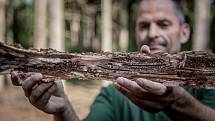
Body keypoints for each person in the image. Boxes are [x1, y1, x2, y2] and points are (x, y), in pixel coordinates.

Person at [11, 0, 215, 121]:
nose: (152, 33)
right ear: (136, 32)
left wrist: (176, 101)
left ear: (184, 32)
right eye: (144, 25)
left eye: (163, 24)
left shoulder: (206, 84)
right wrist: (63, 111)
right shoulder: (115, 93)